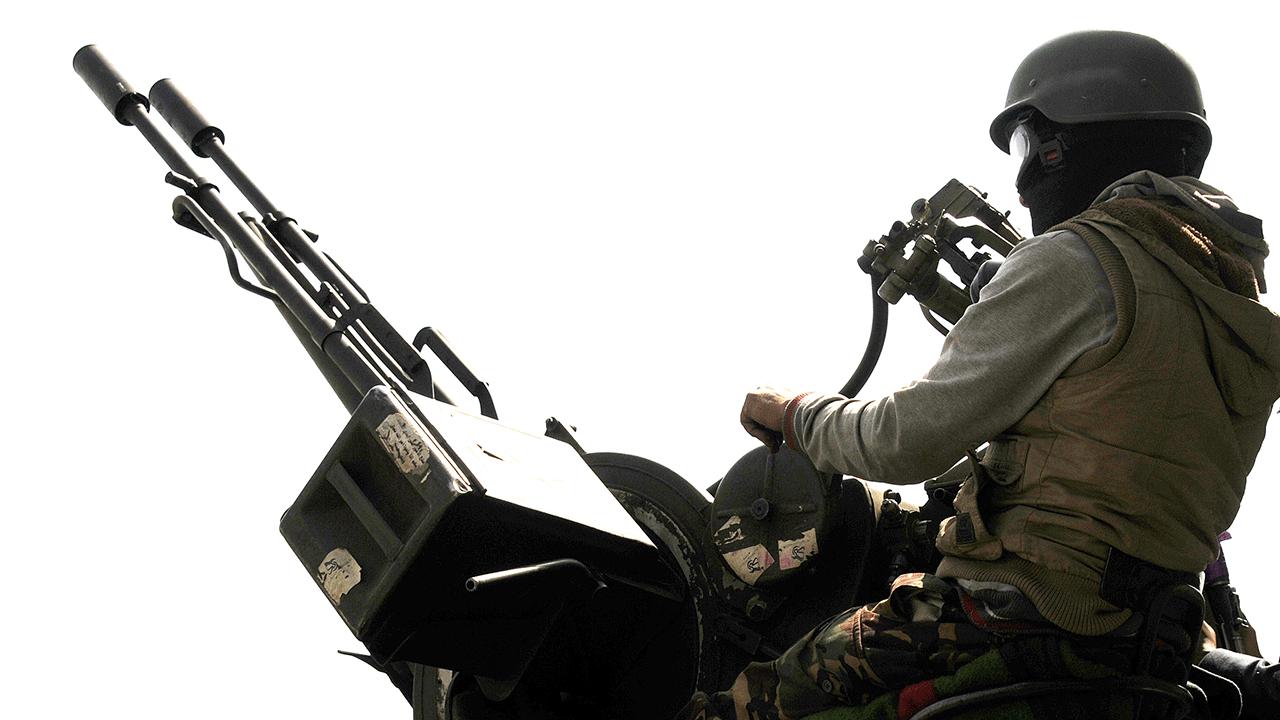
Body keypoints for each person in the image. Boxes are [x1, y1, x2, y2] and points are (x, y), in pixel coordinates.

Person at [678, 30, 1280, 720]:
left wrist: (794, 412)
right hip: (1155, 637)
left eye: (1028, 145)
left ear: (1068, 145)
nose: (1023, 179)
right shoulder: (1235, 301)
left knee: (749, 700)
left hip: (1017, 613)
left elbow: (903, 441)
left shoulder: (1078, 259)